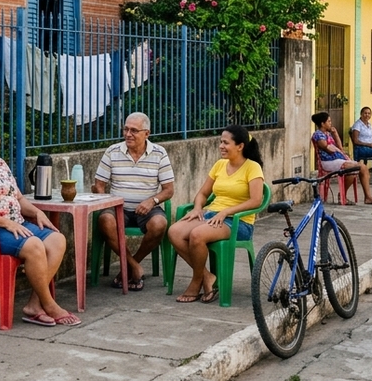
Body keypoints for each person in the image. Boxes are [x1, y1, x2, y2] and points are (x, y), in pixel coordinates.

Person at [0, 119, 80, 327]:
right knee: (35, 246)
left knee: (57, 240)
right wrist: (5, 223)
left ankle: (34, 306)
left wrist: (37, 212)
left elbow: (18, 198)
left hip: (14, 225)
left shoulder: (0, 164)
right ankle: (50, 305)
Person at [168, 125, 265, 303]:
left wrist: (226, 211)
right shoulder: (220, 165)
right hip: (212, 216)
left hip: (238, 222)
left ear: (240, 146)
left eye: (225, 142)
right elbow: (203, 193)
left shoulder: (253, 167)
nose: (221, 146)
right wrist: (198, 208)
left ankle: (196, 281)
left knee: (197, 235)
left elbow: (256, 200)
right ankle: (207, 277)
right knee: (174, 231)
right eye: (220, 141)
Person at [91, 112, 175, 291]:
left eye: (134, 130)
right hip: (117, 207)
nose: (128, 134)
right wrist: (109, 203)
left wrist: (152, 201)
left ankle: (129, 267)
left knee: (160, 223)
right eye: (126, 129)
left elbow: (169, 190)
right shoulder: (112, 152)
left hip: (147, 208)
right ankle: (134, 267)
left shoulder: (159, 153)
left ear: (147, 133)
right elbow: (99, 185)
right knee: (105, 220)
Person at [311, 111, 372, 204]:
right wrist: (332, 148)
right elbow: (327, 148)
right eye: (329, 121)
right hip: (328, 162)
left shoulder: (328, 134)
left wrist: (335, 134)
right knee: (356, 168)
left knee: (362, 168)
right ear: (322, 123)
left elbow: (340, 148)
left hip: (338, 160)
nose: (331, 123)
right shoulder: (318, 134)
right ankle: (342, 196)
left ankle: (367, 197)